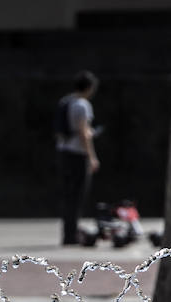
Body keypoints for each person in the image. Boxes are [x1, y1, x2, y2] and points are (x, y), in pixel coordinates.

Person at [56, 70, 100, 246]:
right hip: (77, 154)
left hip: (63, 151)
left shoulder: (65, 102)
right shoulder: (82, 105)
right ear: (89, 87)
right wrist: (92, 157)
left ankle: (68, 233)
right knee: (77, 194)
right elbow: (83, 132)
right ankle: (71, 234)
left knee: (68, 194)